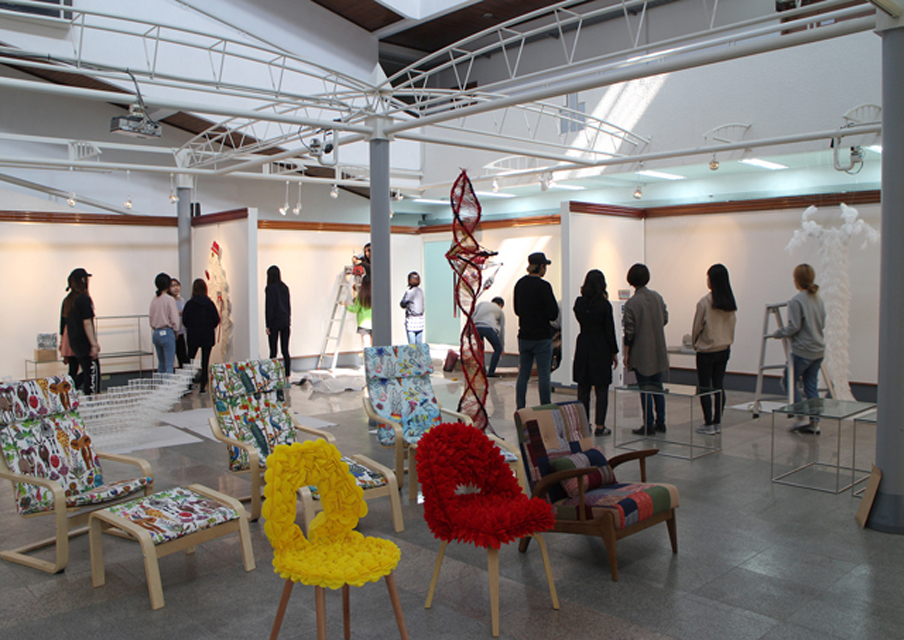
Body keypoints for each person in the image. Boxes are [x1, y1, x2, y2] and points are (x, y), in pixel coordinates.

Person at [773, 263, 826, 434]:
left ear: (796, 280)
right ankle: (815, 422)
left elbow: (794, 326)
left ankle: (801, 416)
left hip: (803, 350)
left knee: (788, 381)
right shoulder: (818, 299)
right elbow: (822, 323)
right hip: (818, 350)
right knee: (811, 386)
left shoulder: (796, 301)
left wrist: (779, 333)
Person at [623, 263, 669, 436]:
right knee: (658, 387)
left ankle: (648, 424)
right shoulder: (657, 297)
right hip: (658, 350)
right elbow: (665, 318)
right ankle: (661, 422)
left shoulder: (632, 303)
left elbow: (629, 332)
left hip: (641, 352)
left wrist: (627, 353)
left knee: (644, 388)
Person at [692, 264, 738, 435]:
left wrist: (695, 343)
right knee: (718, 386)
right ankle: (718, 421)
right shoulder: (730, 302)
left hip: (706, 351)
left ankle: (708, 422)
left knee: (704, 388)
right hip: (724, 349)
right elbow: (732, 325)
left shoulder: (704, 302)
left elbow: (697, 327)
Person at [573, 270, 619, 436]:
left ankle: (584, 424)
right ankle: (600, 425)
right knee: (601, 388)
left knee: (583, 387)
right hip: (601, 346)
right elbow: (609, 330)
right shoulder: (604, 305)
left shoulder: (579, 303)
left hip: (584, 344)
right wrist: (614, 352)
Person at [514, 252, 559, 410]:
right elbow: (553, 313)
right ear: (541, 267)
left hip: (524, 336)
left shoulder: (520, 284)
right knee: (544, 375)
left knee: (523, 374)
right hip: (542, 337)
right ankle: (545, 408)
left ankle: (520, 408)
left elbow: (517, 310)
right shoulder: (544, 286)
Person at [61, 268, 101, 395]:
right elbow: (87, 323)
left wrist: (62, 347)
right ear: (83, 280)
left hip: (72, 342)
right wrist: (93, 344)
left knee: (76, 372)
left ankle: (68, 392)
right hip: (83, 341)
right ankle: (91, 399)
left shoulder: (67, 300)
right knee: (92, 372)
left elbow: (63, 325)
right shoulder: (83, 299)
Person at [182, 278, 220, 393]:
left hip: (193, 335)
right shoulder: (209, 303)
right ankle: (203, 385)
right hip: (207, 336)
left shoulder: (190, 304)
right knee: (205, 361)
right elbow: (216, 319)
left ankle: (188, 384)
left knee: (190, 360)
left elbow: (185, 320)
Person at [149, 272, 180, 374]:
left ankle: (159, 383)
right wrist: (176, 330)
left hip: (156, 333)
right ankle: (168, 384)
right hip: (167, 332)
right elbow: (174, 318)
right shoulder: (169, 299)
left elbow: (151, 318)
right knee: (169, 365)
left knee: (161, 364)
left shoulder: (154, 299)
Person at [265, 265, 292, 376]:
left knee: (273, 351)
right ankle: (287, 375)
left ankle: (273, 375)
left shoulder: (269, 288)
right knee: (285, 350)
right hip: (285, 321)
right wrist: (288, 319)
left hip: (274, 322)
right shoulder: (284, 287)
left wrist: (268, 325)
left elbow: (269, 308)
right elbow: (288, 306)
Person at [473, 297, 506, 377]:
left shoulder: (482, 304)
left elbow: (472, 314)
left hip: (476, 327)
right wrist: (502, 347)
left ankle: (482, 371)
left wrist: (468, 329)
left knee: (480, 350)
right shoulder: (500, 311)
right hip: (489, 328)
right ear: (501, 305)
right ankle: (491, 372)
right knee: (497, 349)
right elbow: (502, 330)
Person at [344, 276, 373, 350]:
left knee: (366, 345)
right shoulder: (375, 295)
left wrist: (347, 305)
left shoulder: (361, 295)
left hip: (363, 324)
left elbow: (355, 309)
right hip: (374, 323)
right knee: (373, 345)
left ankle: (366, 357)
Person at [400, 271, 425, 344]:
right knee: (419, 343)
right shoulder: (420, 291)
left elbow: (402, 303)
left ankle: (413, 351)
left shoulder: (409, 292)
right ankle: (419, 351)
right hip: (420, 320)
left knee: (412, 344)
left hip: (411, 320)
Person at [169, 278, 188, 369]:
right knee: (170, 358)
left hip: (180, 331)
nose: (176, 288)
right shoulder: (168, 300)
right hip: (171, 332)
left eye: (177, 285)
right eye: (173, 286)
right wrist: (177, 313)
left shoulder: (181, 300)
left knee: (183, 357)